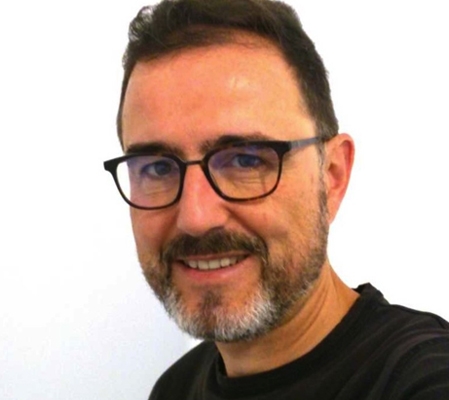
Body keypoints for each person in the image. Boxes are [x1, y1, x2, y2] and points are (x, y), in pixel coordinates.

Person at [103, 0, 449, 398]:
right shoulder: (175, 388)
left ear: (332, 175)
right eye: (158, 168)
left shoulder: (423, 379)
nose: (196, 217)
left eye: (246, 160)